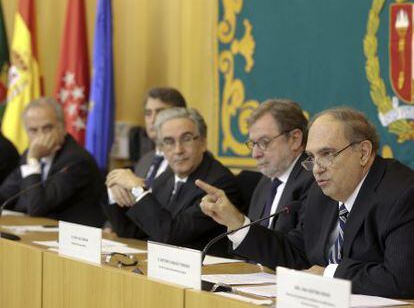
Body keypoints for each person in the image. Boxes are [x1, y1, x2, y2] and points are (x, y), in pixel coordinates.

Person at [196, 107, 414, 298]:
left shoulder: (402, 194)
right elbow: (297, 253)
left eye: (327, 154)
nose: (317, 168)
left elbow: (401, 279)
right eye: (312, 157)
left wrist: (329, 274)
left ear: (364, 153)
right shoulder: (322, 192)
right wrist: (238, 224)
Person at [103, 107, 241, 252]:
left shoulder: (219, 184)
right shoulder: (167, 177)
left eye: (186, 139)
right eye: (169, 141)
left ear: (203, 142)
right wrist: (115, 186)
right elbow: (134, 233)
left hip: (202, 270)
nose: (178, 150)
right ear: (161, 148)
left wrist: (138, 190)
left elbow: (171, 235)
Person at [0, 97, 105, 227]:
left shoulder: (77, 161)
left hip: (76, 240)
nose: (41, 136)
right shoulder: (29, 154)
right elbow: (4, 195)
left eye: (47, 128)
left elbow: (37, 207)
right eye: (33, 130)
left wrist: (33, 161)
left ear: (62, 127)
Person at [240, 99, 313, 234]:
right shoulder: (265, 182)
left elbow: (296, 249)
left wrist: (237, 222)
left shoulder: (312, 181)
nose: (255, 154)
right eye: (253, 144)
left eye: (264, 142)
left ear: (294, 139)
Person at [108, 87, 187, 208]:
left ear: (180, 115)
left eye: (160, 112)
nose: (153, 120)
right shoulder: (145, 160)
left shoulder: (187, 161)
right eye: (148, 113)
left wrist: (137, 188)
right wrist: (114, 182)